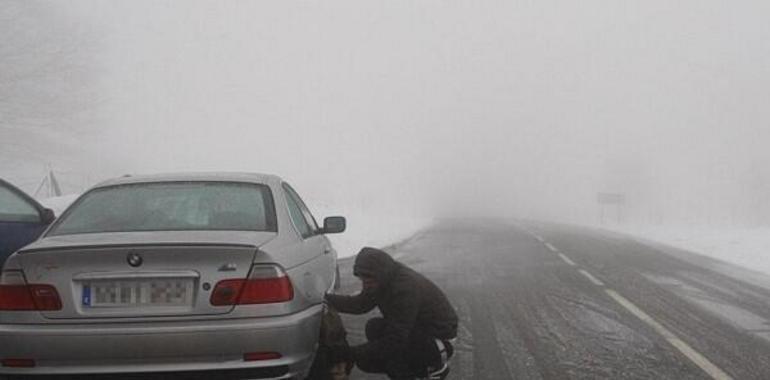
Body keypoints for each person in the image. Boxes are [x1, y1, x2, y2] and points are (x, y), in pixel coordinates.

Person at [325, 247, 458, 380]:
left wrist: (348, 354)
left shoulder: (404, 289)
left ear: (380, 274)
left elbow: (395, 340)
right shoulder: (381, 280)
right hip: (418, 332)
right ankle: (414, 370)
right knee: (374, 327)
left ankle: (432, 369)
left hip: (439, 342)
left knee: (381, 354)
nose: (366, 286)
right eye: (363, 281)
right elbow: (360, 304)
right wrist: (325, 299)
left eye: (369, 281)